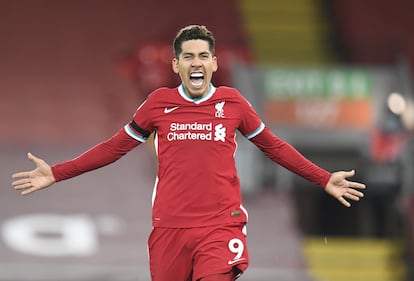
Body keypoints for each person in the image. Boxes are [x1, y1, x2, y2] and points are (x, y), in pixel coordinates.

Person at [12, 25, 366, 281]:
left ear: (213, 63)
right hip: (169, 229)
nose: (196, 63)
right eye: (188, 57)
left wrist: (323, 178)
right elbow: (114, 148)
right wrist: (57, 172)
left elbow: (273, 146)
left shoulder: (233, 103)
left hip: (220, 225)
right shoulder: (157, 104)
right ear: (176, 65)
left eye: (203, 56)